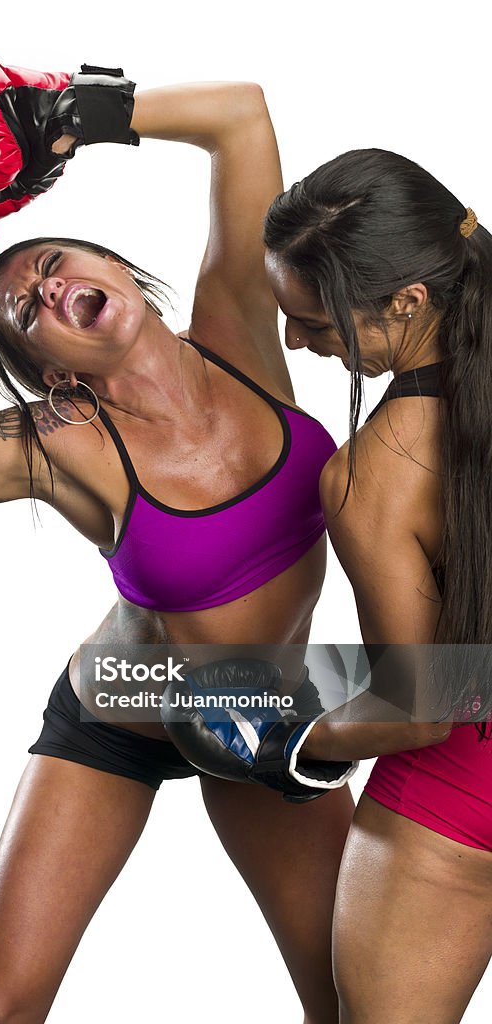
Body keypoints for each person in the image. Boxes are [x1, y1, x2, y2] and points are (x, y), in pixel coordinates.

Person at [0, 65, 354, 1024]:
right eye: (27, 307)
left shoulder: (239, 324)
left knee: (351, 1002)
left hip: (263, 714)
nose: (52, 286)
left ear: (117, 271)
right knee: (3, 1011)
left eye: (57, 261)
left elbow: (240, 116)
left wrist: (74, 111)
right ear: (47, 371)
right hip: (119, 715)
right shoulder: (62, 444)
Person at [262, 148, 492, 1024]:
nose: (295, 342)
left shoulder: (378, 470)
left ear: (407, 302)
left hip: (462, 787)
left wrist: (296, 743)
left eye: (315, 324)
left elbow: (423, 705)